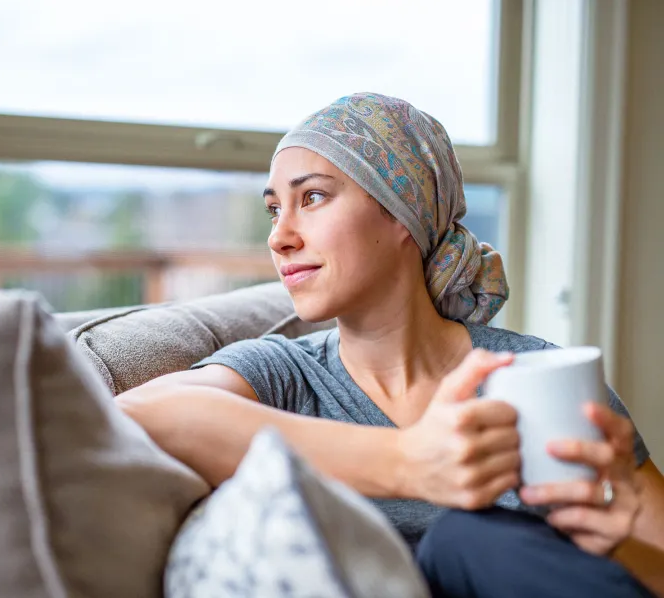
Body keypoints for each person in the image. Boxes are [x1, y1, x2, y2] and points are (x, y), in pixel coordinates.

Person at [116, 93, 664, 596]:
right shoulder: (283, 374)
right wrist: (409, 462)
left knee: (469, 540)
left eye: (312, 197)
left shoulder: (534, 374)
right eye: (273, 209)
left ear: (403, 211)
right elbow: (139, 413)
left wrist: (620, 538)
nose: (279, 235)